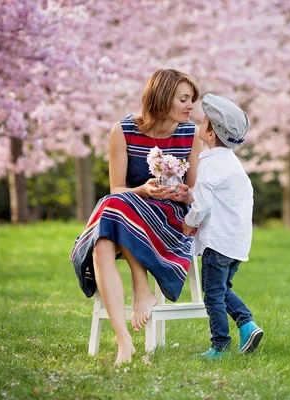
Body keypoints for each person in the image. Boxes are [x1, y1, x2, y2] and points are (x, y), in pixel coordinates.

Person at [70, 69, 203, 364]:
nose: (190, 106)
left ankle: (141, 290)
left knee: (112, 214)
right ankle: (124, 340)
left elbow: (195, 191)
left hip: (169, 220)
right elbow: (117, 188)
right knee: (103, 241)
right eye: (183, 99)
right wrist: (144, 189)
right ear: (162, 96)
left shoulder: (190, 134)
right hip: (128, 211)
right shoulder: (124, 130)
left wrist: (183, 193)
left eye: (191, 99)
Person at [182, 93, 263, 359]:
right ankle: (248, 325)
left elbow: (203, 205)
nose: (200, 125)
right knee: (222, 289)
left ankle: (219, 346)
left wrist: (188, 223)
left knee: (213, 296)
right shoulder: (230, 163)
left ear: (211, 133)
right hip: (236, 242)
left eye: (204, 121)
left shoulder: (210, 164)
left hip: (217, 243)